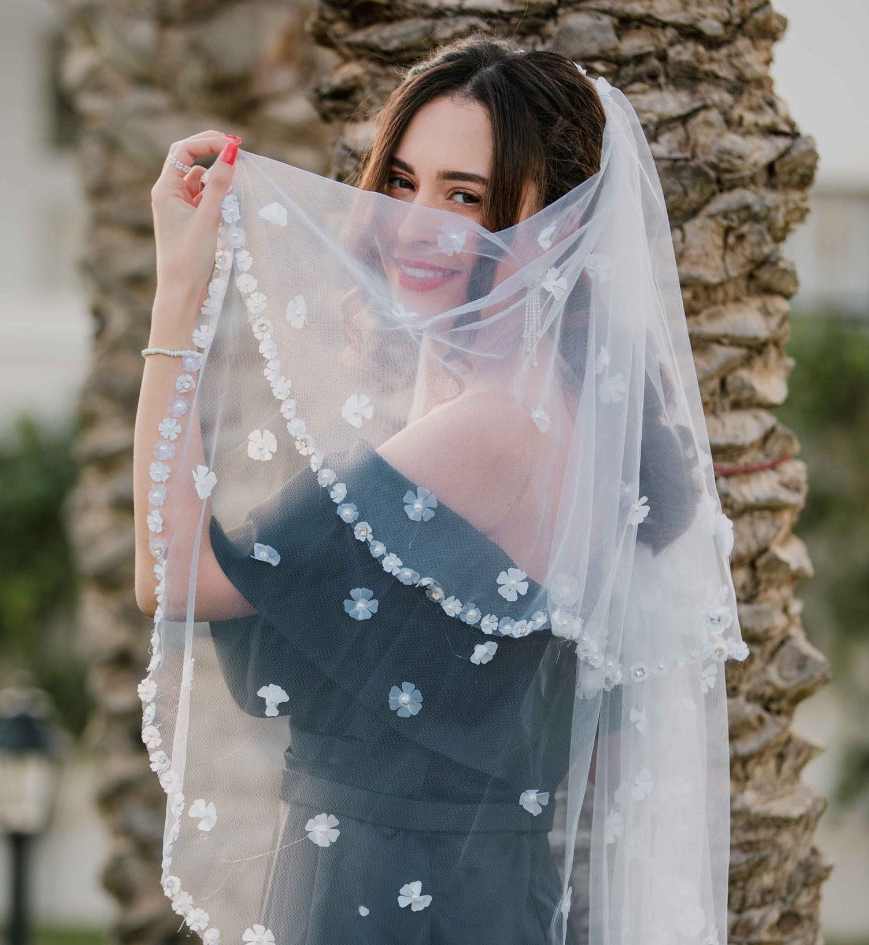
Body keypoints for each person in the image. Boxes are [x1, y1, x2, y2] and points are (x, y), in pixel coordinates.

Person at [134, 37, 747, 945]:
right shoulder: (544, 401)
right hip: (469, 894)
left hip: (391, 902)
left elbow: (172, 575)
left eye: (466, 196)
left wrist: (175, 296)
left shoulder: (492, 429)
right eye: (401, 183)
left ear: (559, 222)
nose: (414, 224)